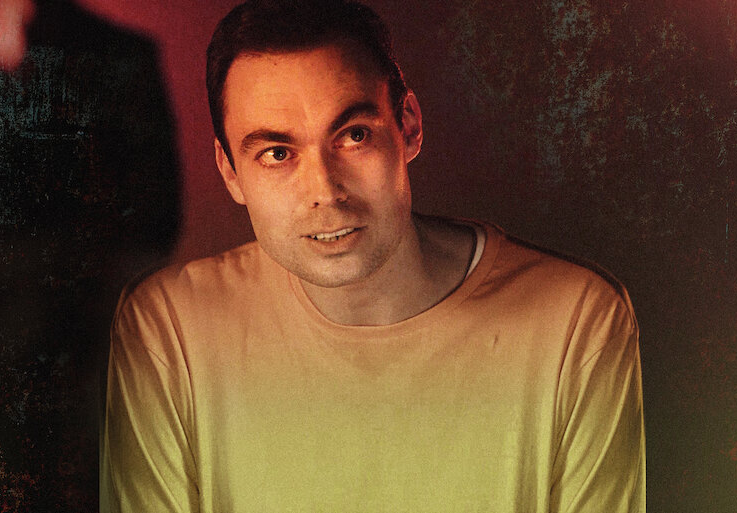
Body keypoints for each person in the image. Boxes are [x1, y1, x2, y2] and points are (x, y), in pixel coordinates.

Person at [100, 0, 645, 511]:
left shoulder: (575, 321)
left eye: (354, 135)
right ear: (230, 172)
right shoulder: (169, 328)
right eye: (277, 153)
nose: (325, 192)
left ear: (408, 126)